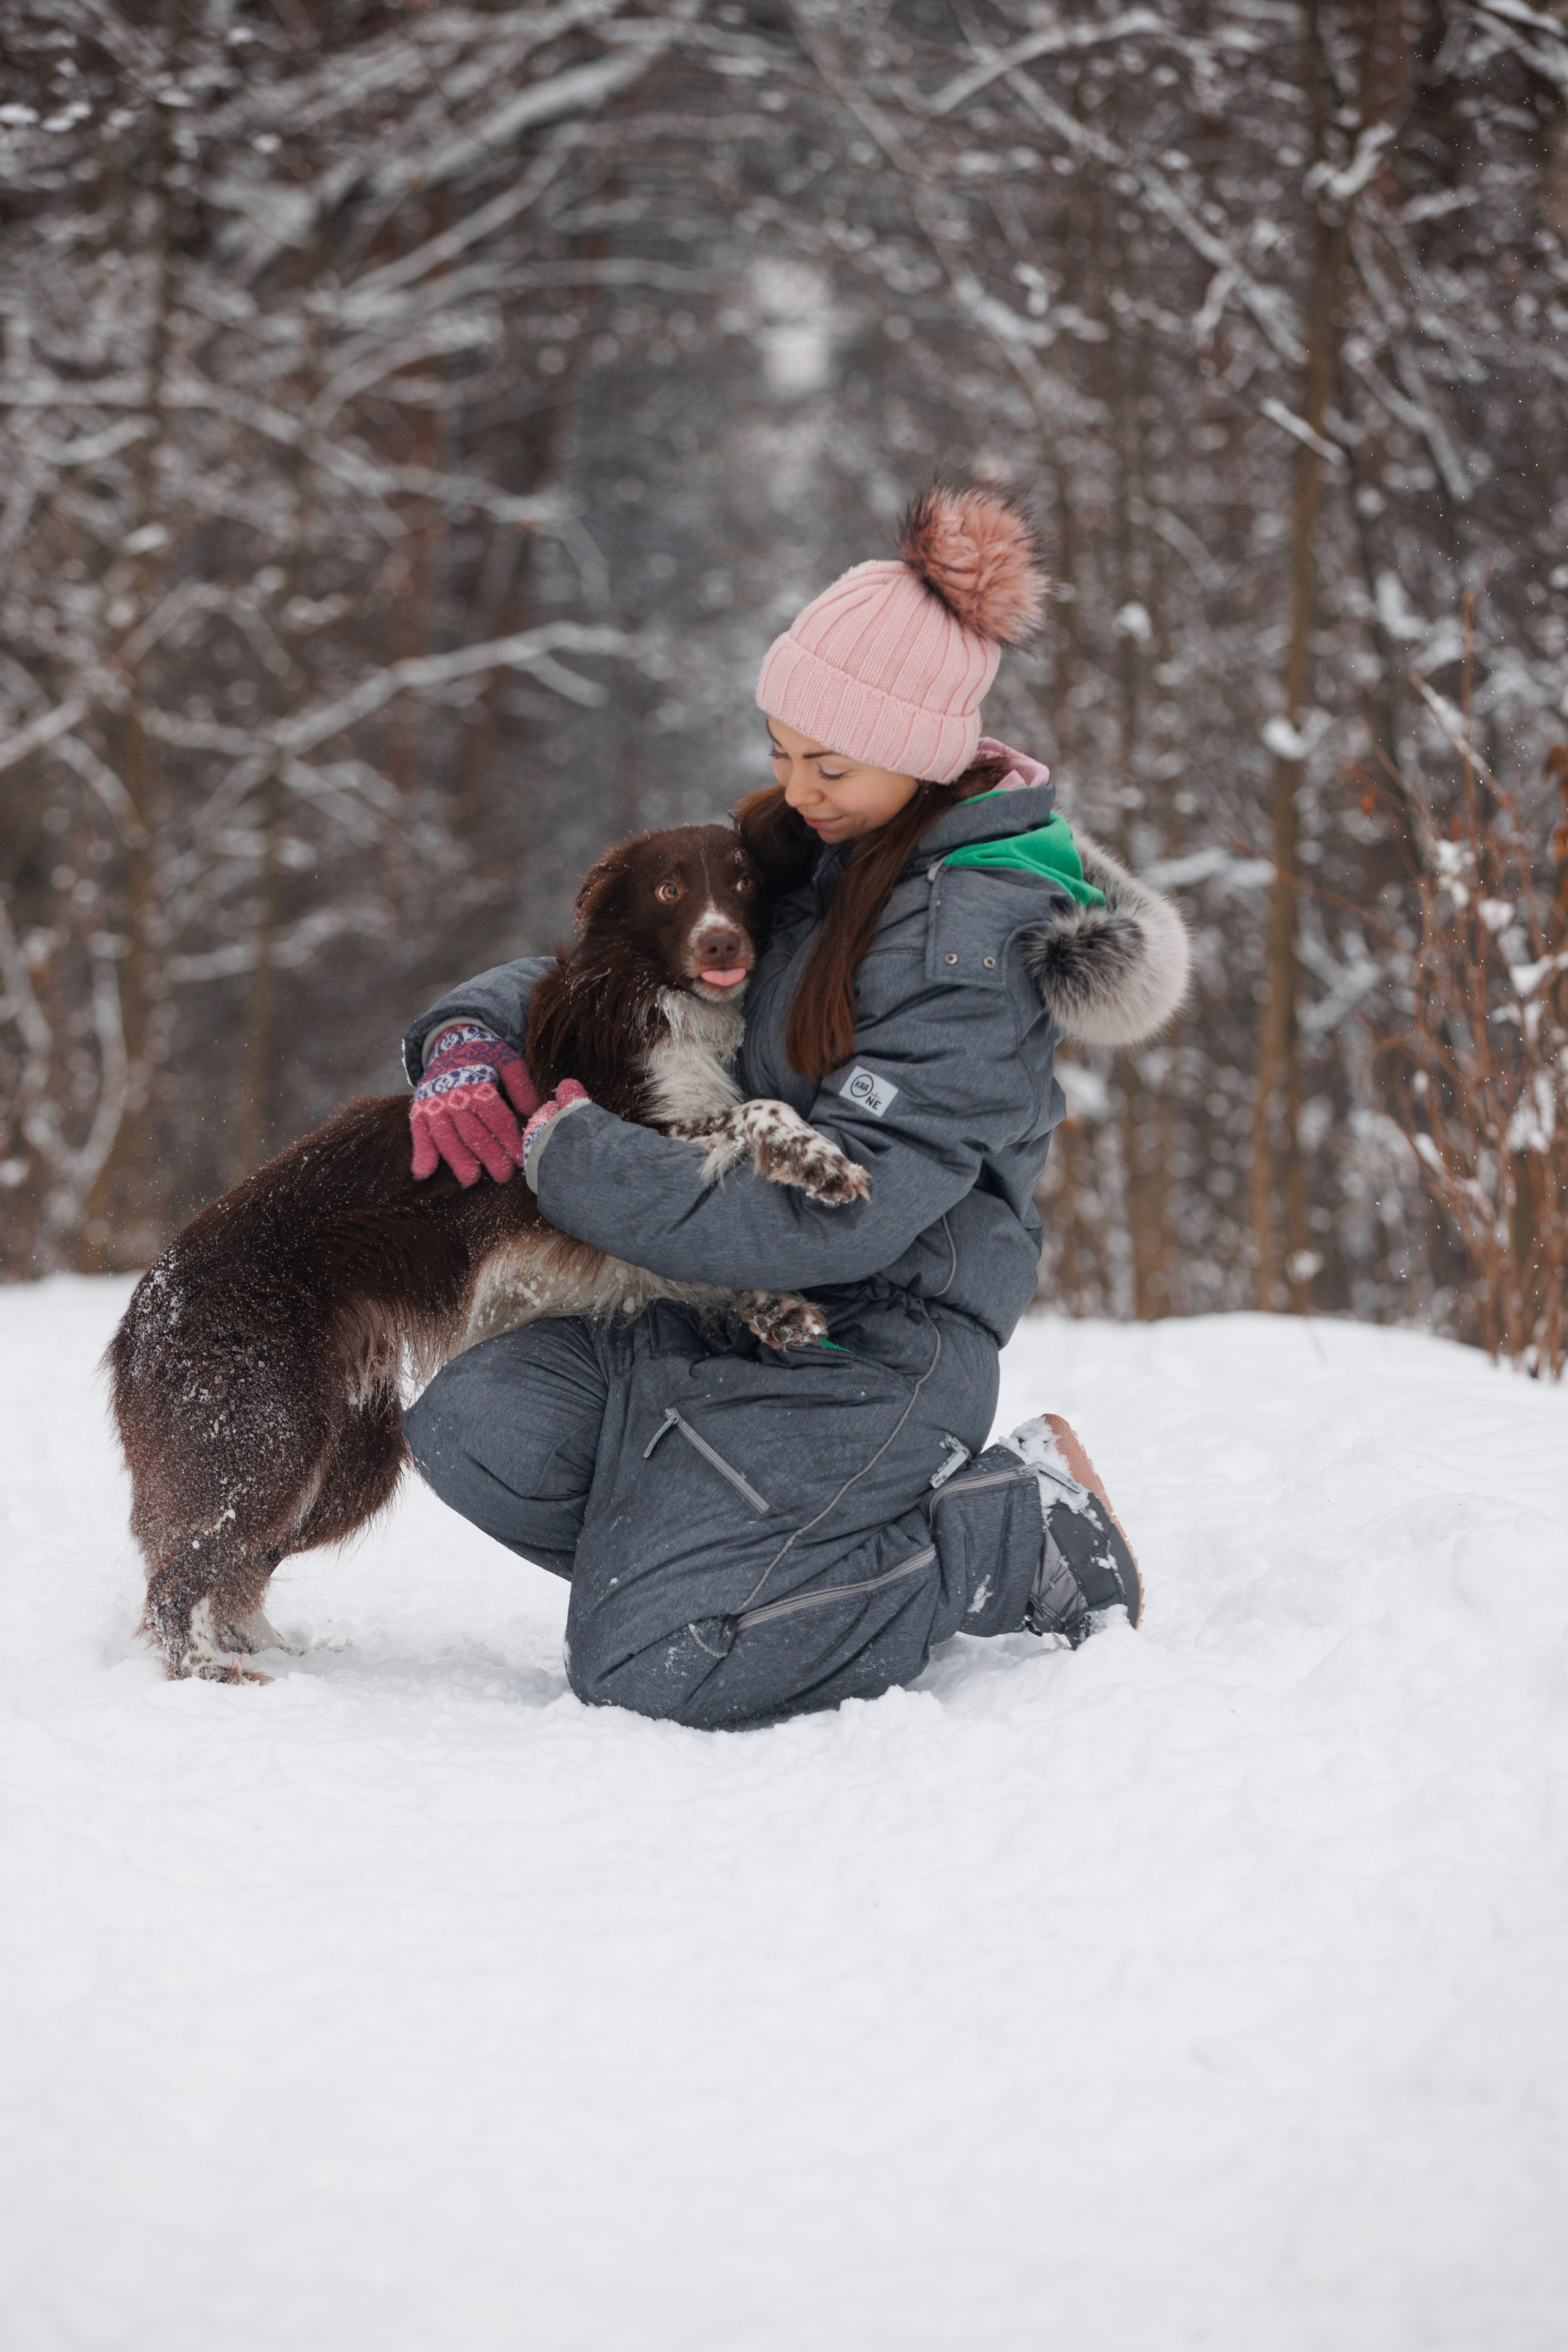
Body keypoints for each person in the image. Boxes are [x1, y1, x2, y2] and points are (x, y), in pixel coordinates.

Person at [399, 486, 1188, 1728]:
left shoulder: (969, 947)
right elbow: (614, 961)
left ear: (924, 750)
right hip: (726, 1309)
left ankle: (1004, 1536)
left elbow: (844, 1213)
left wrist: (574, 1158)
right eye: (779, 751)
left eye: (827, 760)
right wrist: (467, 1036)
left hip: (871, 1344)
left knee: (655, 1666)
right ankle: (733, 1565)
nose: (793, 785)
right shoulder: (815, 857)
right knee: (470, 1424)